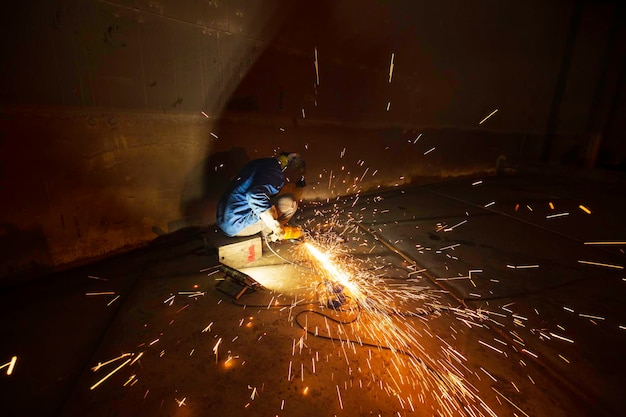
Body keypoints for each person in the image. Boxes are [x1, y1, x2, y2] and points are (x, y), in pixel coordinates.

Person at [216, 152, 306, 241]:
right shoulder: (276, 174)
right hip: (236, 225)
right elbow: (253, 196)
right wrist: (275, 226)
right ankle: (268, 236)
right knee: (290, 202)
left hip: (224, 219)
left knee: (271, 202)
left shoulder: (263, 163)